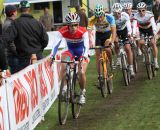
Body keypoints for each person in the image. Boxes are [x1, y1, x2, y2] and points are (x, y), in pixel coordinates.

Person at [51, 12, 89, 104]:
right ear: (67, 25)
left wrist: (84, 57)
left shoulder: (83, 32)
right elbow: (55, 45)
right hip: (70, 50)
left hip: (81, 52)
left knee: (81, 72)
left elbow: (86, 46)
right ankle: (64, 89)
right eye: (71, 25)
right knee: (63, 63)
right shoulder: (62, 31)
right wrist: (52, 56)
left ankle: (82, 92)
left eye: (76, 25)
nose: (73, 27)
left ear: (78, 24)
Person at [4, 0, 48, 72]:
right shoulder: (37, 23)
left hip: (24, 59)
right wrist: (39, 50)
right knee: (40, 80)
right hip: (37, 56)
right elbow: (45, 40)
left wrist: (17, 52)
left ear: (20, 10)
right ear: (29, 9)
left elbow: (8, 39)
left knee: (25, 82)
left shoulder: (15, 23)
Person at [87, 4, 116, 79]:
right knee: (98, 55)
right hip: (99, 35)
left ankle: (111, 63)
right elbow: (89, 32)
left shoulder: (110, 17)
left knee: (107, 48)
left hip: (108, 34)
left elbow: (113, 32)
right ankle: (100, 76)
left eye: (101, 16)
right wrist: (90, 41)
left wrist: (112, 41)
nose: (99, 19)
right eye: (97, 17)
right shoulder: (92, 19)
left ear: (103, 13)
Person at [132, 2, 159, 69]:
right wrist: (134, 34)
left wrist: (155, 33)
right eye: (139, 10)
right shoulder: (136, 15)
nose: (141, 12)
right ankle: (145, 54)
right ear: (137, 10)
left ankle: (155, 62)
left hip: (150, 29)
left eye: (143, 10)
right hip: (141, 30)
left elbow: (153, 24)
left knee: (153, 43)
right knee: (140, 43)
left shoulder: (149, 14)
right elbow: (134, 25)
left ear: (146, 9)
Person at [112, 3, 135, 77]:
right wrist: (113, 37)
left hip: (124, 30)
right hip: (116, 31)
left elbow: (128, 25)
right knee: (115, 42)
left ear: (121, 12)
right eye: (115, 13)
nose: (117, 14)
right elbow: (111, 30)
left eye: (118, 13)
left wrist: (129, 33)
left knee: (128, 48)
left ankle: (131, 68)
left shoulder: (125, 15)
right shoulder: (111, 17)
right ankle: (119, 57)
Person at [2, 5, 18, 74]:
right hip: (12, 55)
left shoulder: (6, 23)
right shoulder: (10, 24)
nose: (17, 13)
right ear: (14, 13)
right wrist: (17, 53)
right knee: (16, 75)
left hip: (8, 54)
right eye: (16, 11)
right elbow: (11, 42)